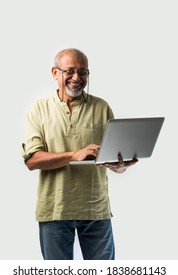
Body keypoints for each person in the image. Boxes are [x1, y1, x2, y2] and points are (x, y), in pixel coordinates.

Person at [22, 48, 138, 260]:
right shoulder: (39, 109)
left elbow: (111, 160)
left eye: (83, 72)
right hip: (55, 209)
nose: (77, 78)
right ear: (54, 72)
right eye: (70, 71)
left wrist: (119, 165)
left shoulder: (102, 107)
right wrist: (75, 155)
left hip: (96, 209)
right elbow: (32, 161)